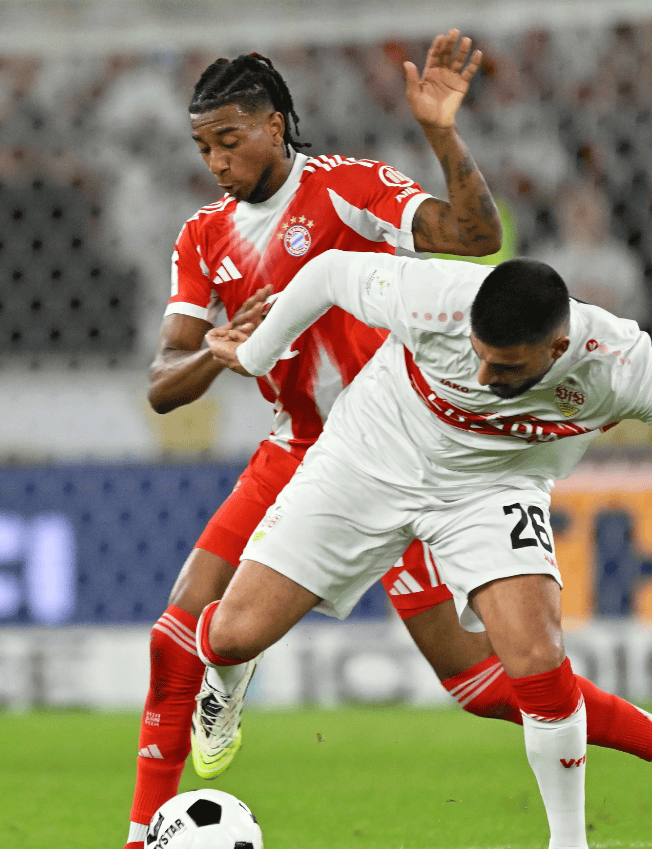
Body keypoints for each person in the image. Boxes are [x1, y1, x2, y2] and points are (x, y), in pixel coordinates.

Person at [203, 251, 652, 849]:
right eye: (478, 354)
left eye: (505, 366)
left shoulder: (623, 365)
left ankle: (579, 837)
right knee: (233, 637)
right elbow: (329, 272)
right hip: (369, 456)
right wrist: (256, 354)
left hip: (491, 486)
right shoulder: (435, 296)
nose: (482, 376)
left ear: (556, 348)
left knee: (532, 660)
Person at [125, 32, 502, 847]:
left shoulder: (347, 188)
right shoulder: (202, 236)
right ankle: (137, 833)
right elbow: (161, 383)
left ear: (274, 126)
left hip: (390, 453)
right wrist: (215, 352)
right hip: (295, 447)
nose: (215, 162)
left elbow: (476, 237)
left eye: (228, 141)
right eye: (202, 147)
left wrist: (440, 133)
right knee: (175, 632)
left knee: (476, 681)